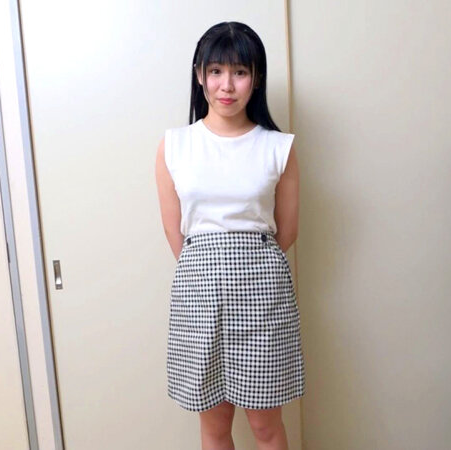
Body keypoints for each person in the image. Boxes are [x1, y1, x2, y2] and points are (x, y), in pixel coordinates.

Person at [154, 21, 304, 450]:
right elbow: (175, 233)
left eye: (239, 72)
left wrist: (245, 263)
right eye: (216, 71)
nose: (226, 85)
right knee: (215, 427)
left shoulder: (278, 147)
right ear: (199, 75)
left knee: (265, 427)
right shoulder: (174, 145)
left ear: (256, 78)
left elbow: (287, 230)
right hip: (198, 293)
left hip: (262, 293)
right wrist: (209, 268)